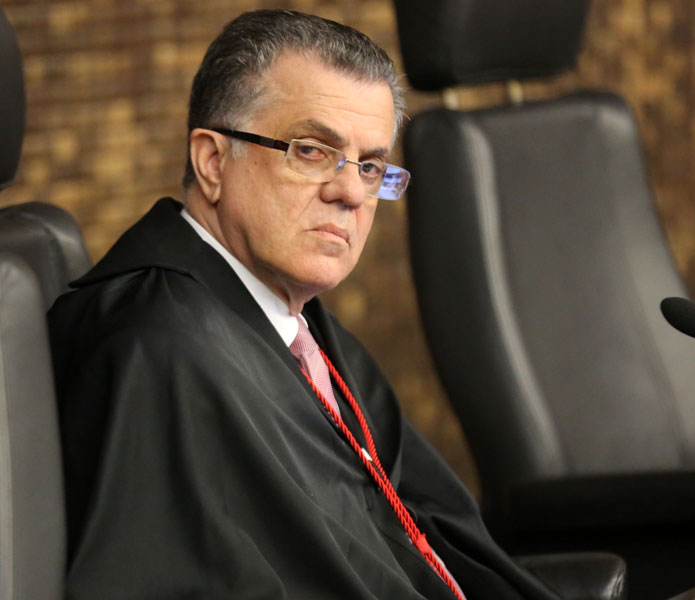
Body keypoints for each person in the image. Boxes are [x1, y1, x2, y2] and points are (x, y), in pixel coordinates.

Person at [48, 9, 564, 599]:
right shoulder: (156, 350)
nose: (350, 193)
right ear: (213, 162)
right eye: (313, 151)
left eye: (370, 166)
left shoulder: (293, 321)